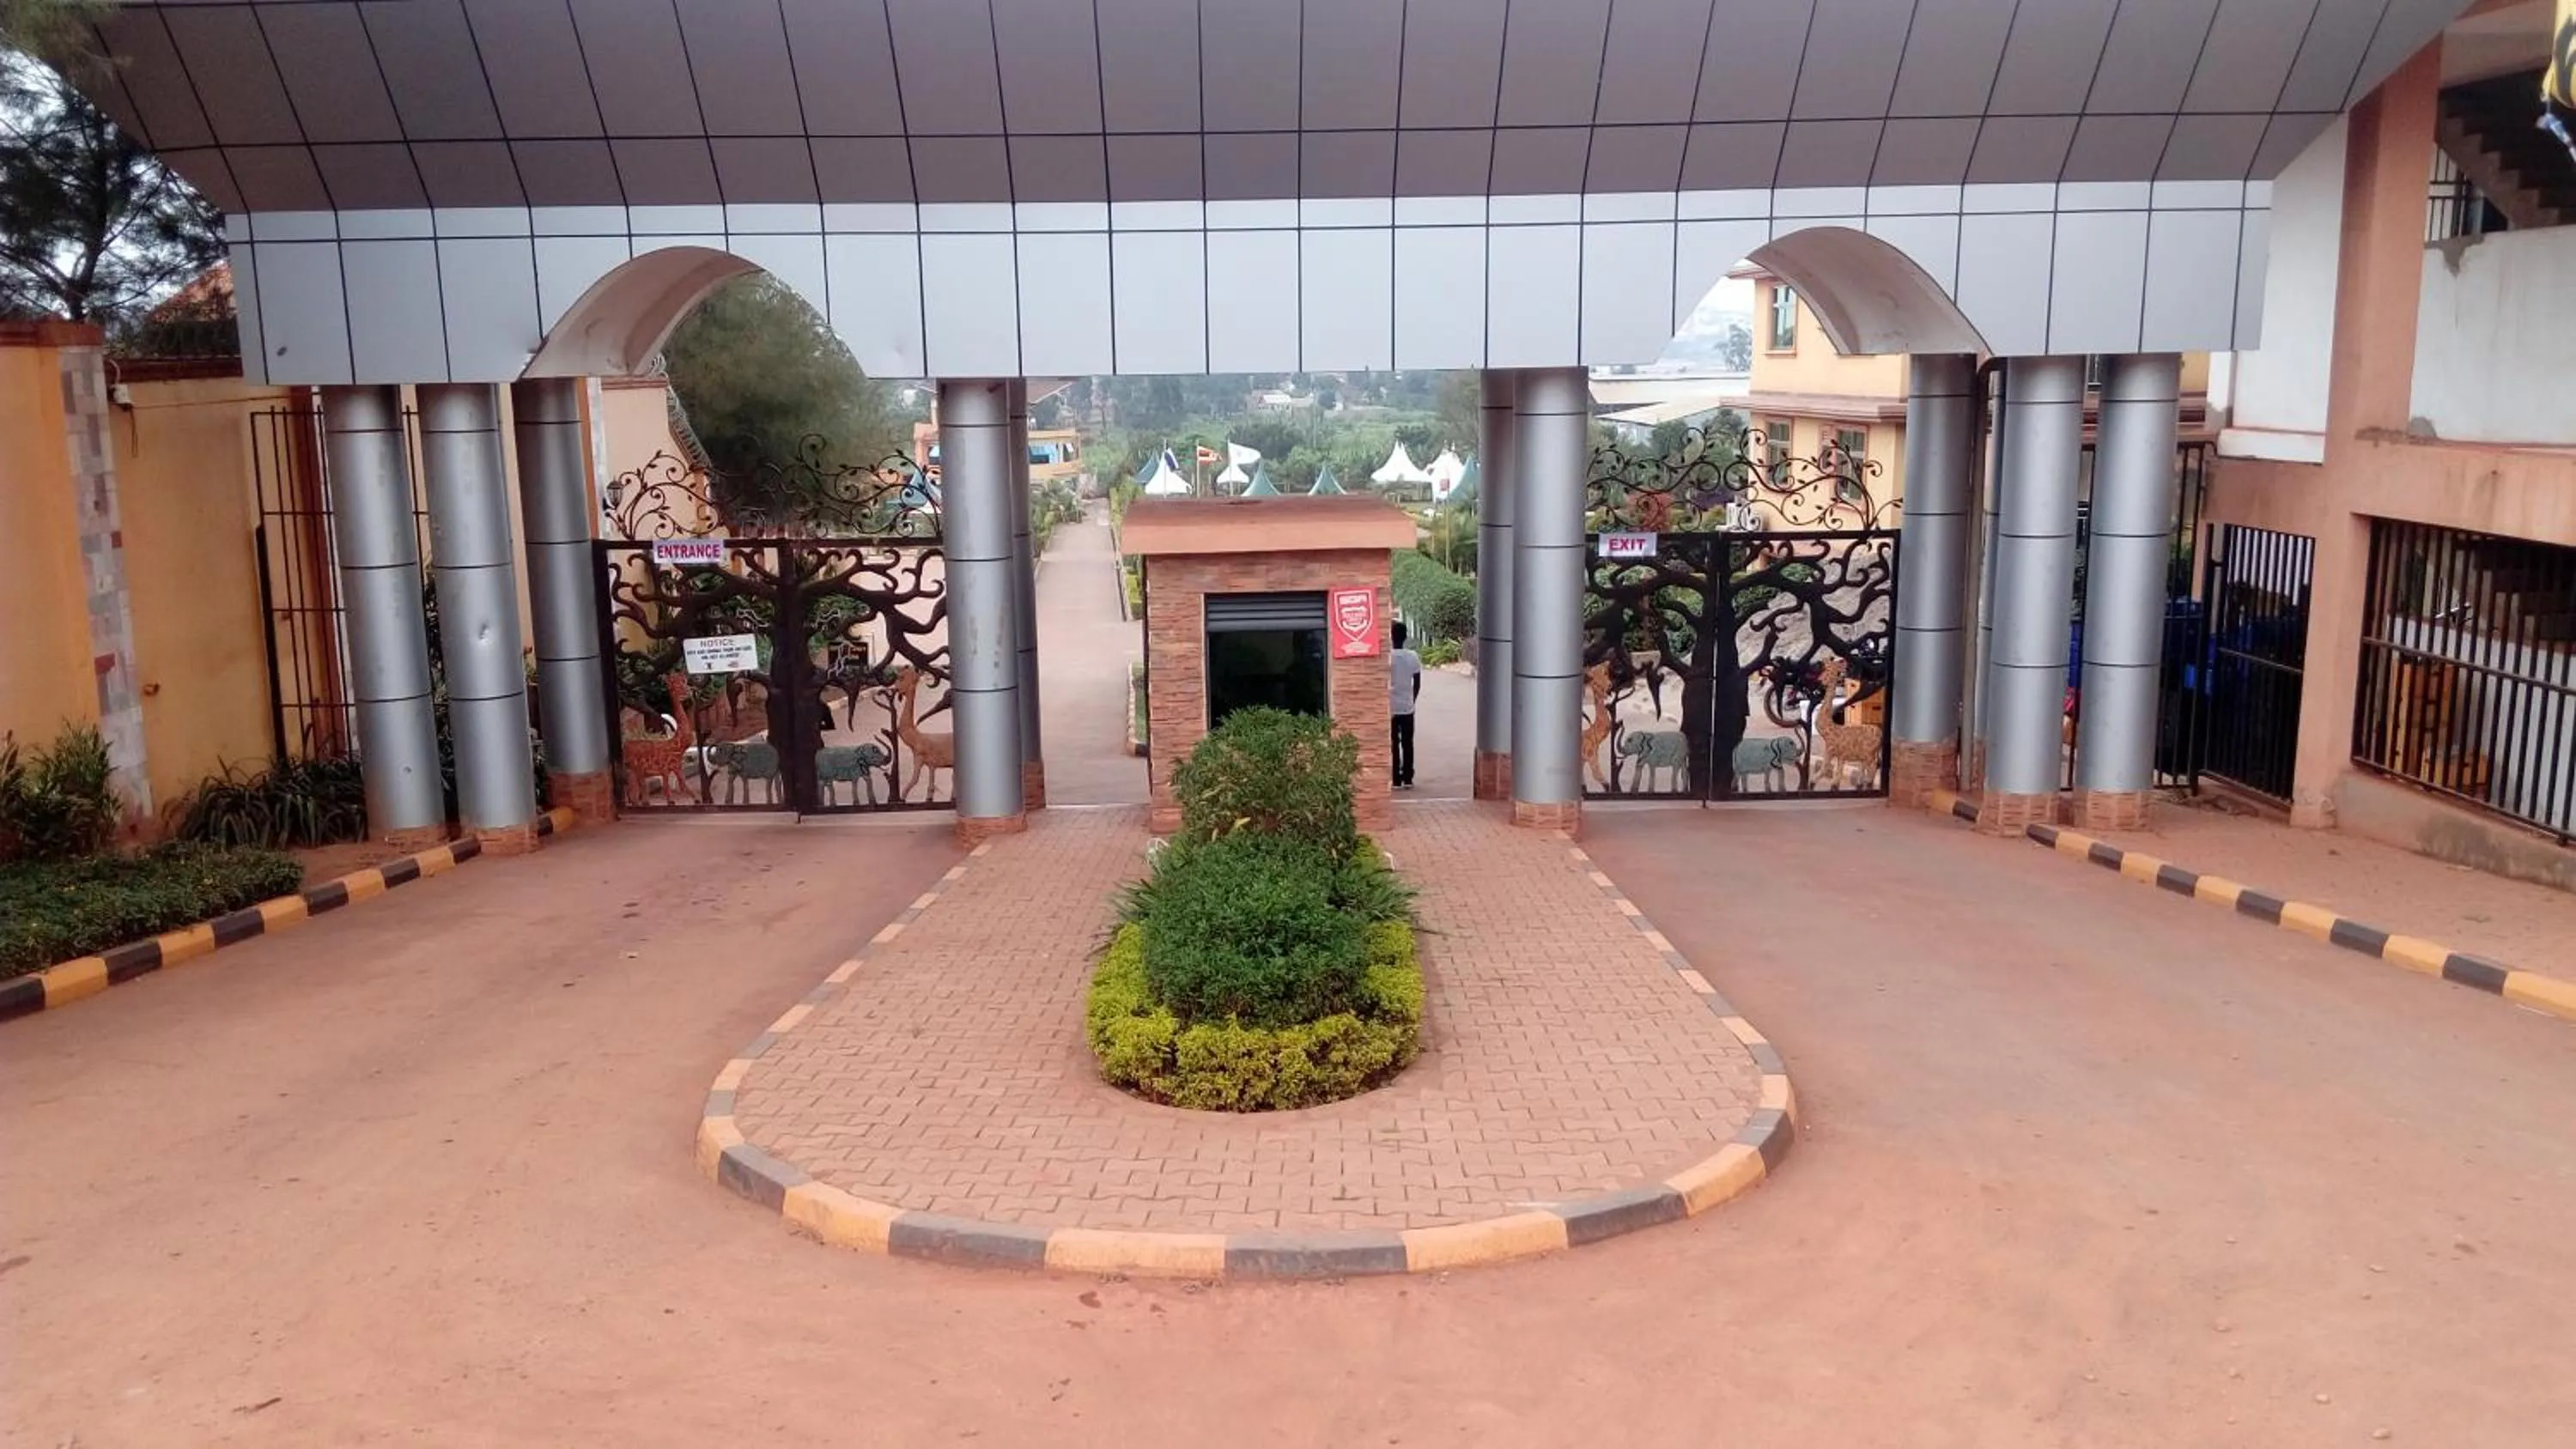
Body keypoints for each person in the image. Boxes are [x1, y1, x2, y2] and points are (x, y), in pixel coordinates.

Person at [1388, 621, 1423, 790]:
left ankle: (1395, 779)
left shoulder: (1388, 657)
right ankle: (1408, 778)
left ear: (1391, 636)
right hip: (1407, 706)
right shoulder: (1413, 656)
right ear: (1406, 637)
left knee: (1393, 743)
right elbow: (1417, 682)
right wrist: (1412, 699)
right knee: (1408, 743)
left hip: (1390, 707)